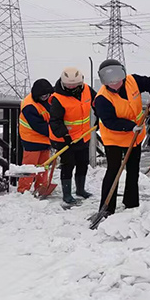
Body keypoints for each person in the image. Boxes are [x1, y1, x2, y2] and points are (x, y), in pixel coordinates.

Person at [95, 59, 150, 214]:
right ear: (104, 80)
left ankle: (131, 202)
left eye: (117, 77)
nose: (115, 82)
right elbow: (110, 122)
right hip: (114, 139)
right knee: (114, 170)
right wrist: (130, 126)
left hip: (135, 137)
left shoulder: (132, 81)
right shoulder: (102, 98)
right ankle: (107, 207)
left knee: (133, 169)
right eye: (110, 80)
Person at [49, 67, 97, 204]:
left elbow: (97, 102)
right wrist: (65, 135)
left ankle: (80, 190)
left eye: (74, 85)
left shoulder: (87, 90)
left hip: (83, 135)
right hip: (64, 138)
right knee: (68, 164)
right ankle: (67, 194)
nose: (71, 87)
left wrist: (100, 116)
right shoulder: (57, 98)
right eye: (69, 85)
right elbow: (55, 121)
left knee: (83, 163)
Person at [18, 79, 54, 194]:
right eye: (43, 96)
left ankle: (41, 187)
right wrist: (57, 133)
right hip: (31, 139)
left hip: (45, 140)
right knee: (29, 167)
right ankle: (23, 190)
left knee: (44, 166)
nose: (45, 97)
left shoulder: (50, 99)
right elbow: (39, 126)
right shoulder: (29, 106)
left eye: (47, 95)